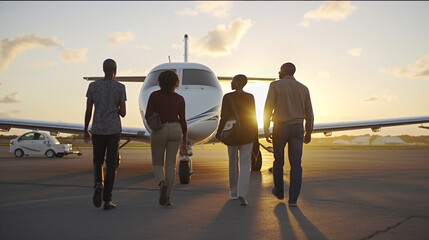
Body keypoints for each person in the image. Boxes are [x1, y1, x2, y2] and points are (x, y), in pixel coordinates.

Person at [263, 62, 314, 207]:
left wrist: (266, 128)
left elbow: (267, 108)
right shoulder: (304, 88)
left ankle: (279, 192)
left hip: (280, 127)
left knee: (278, 162)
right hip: (298, 128)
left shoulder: (275, 85)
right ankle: (293, 200)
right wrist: (308, 132)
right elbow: (309, 113)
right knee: (296, 164)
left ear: (282, 72)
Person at [84, 58, 127, 210]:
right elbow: (123, 112)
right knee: (111, 164)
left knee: (97, 161)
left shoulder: (93, 86)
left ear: (103, 69)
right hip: (114, 130)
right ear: (115, 70)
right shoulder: (120, 87)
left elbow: (89, 110)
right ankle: (107, 200)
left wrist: (86, 129)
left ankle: (97, 184)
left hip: (98, 129)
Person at [145, 70, 188, 207]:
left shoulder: (154, 96)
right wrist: (184, 141)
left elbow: (148, 115)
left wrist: (155, 123)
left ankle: (161, 183)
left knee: (157, 163)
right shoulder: (180, 98)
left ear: (160, 81)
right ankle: (168, 198)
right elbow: (183, 121)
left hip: (160, 129)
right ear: (176, 83)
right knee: (170, 165)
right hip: (176, 130)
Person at [216, 74, 258, 206]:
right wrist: (255, 137)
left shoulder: (227, 97)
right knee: (245, 164)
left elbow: (224, 117)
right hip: (248, 134)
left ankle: (233, 192)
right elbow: (253, 117)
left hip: (232, 134)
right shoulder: (250, 97)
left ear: (237, 82)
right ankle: (242, 194)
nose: (231, 82)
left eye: (233, 81)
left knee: (232, 163)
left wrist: (219, 132)